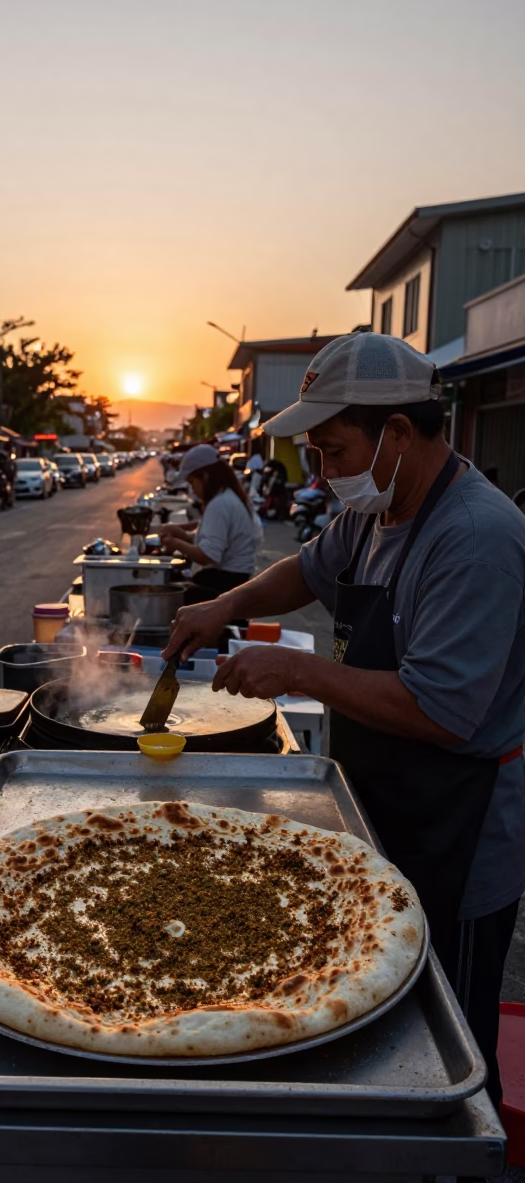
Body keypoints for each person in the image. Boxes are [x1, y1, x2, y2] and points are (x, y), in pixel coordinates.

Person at [163, 332, 525, 1105]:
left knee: (446, 1041)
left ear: (397, 432)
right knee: (375, 1027)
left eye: (332, 451)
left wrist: (297, 671)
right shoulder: (377, 511)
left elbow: (442, 710)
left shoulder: (473, 538)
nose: (322, 475)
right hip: (389, 802)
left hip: (457, 825)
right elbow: (309, 568)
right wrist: (225, 603)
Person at [159, 444, 256, 605]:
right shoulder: (225, 498)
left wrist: (175, 543)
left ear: (205, 477)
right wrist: (179, 531)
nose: (192, 489)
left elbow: (208, 556)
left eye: (192, 483)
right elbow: (209, 540)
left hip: (226, 584)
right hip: (231, 581)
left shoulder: (220, 504)